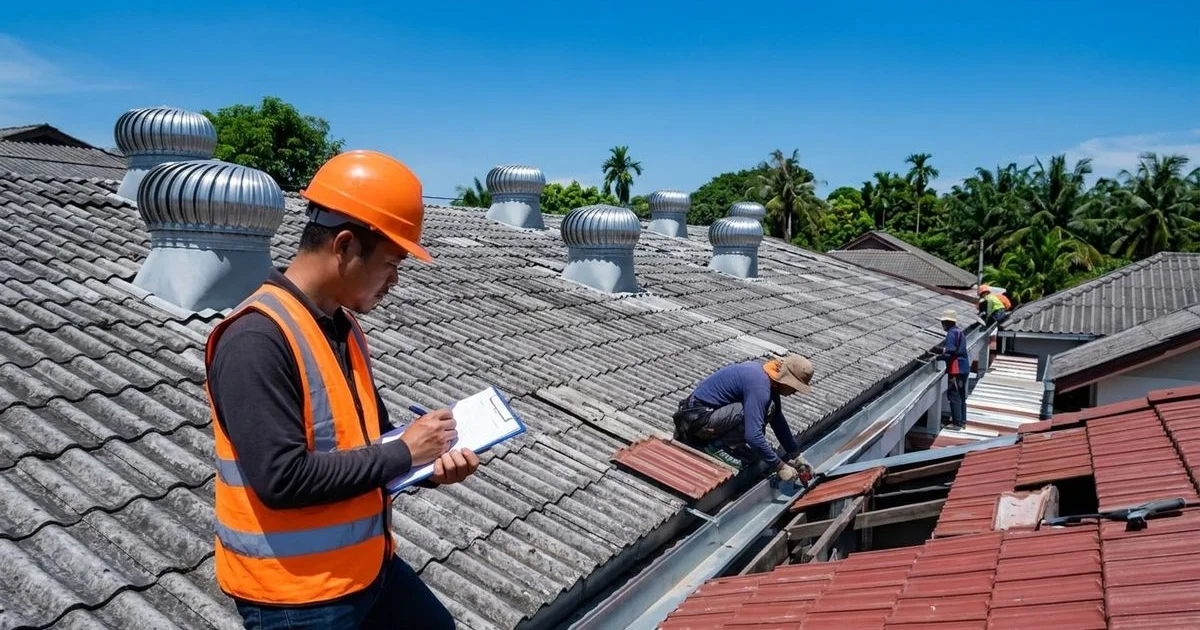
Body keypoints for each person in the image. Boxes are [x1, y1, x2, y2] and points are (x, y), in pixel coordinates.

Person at [205, 150, 478, 630]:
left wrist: (431, 464)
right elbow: (281, 480)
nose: (394, 281)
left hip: (366, 569)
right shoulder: (256, 339)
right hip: (298, 597)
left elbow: (367, 441)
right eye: (392, 264)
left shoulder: (342, 326)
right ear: (346, 245)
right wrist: (405, 454)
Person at [673, 355, 815, 484]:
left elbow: (778, 420)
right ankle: (715, 447)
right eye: (795, 388)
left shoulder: (768, 379)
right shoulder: (760, 386)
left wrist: (797, 457)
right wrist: (780, 466)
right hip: (696, 422)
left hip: (705, 418)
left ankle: (722, 443)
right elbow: (753, 436)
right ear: (787, 380)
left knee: (768, 409)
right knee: (755, 413)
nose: (794, 392)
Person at [935, 309, 970, 429]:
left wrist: (938, 354)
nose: (942, 324)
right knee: (961, 395)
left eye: (943, 322)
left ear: (947, 322)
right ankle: (962, 420)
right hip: (964, 367)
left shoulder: (951, 333)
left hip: (956, 369)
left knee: (953, 395)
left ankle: (956, 423)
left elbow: (950, 350)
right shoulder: (959, 332)